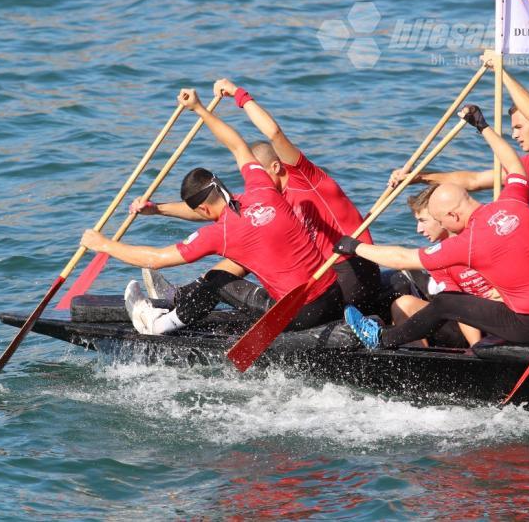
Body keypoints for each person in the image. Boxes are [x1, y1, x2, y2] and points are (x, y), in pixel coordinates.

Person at [79, 88, 344, 334]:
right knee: (251, 258)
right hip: (334, 295)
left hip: (300, 314)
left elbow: (157, 258)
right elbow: (238, 146)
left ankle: (160, 324)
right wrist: (200, 108)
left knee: (217, 278)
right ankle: (180, 297)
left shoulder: (219, 234)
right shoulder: (262, 188)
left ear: (204, 209)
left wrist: (104, 244)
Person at [390, 51, 529, 351]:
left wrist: (500, 71)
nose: (513, 135)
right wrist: (419, 177)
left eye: (517, 127)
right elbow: (473, 181)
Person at [130, 79, 381, 315]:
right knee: (248, 248)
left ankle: (181, 300)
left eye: (257, 170)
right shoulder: (267, 201)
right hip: (323, 279)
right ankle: (182, 297)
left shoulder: (305, 178)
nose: (253, 180)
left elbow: (274, 134)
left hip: (351, 270)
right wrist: (158, 209)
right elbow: (222, 209)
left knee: (250, 251)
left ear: (274, 167)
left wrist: (238, 95)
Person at [333, 105, 529, 349]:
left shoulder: (466, 244)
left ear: (452, 215)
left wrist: (354, 247)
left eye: (440, 220)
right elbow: (514, 165)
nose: (441, 226)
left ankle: (381, 339)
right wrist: (483, 126)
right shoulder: (514, 204)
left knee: (446, 303)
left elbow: (401, 258)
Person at [390, 184, 499, 347]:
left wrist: (477, 348)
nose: (418, 229)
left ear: (440, 217)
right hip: (463, 318)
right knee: (403, 304)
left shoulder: (473, 243)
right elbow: (457, 304)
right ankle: (416, 360)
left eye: (423, 221)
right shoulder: (439, 255)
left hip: (492, 323)